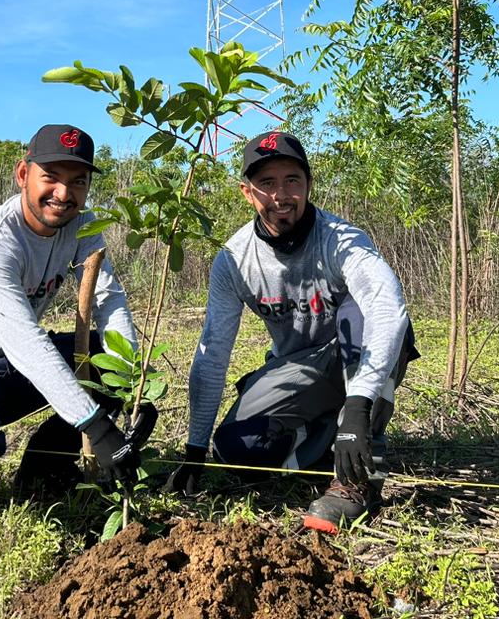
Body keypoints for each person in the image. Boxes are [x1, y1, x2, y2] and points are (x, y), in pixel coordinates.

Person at [165, 130, 418, 532]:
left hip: (355, 356)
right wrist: (196, 448)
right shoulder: (234, 260)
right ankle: (330, 443)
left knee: (361, 312)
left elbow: (388, 308)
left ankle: (358, 480)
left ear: (308, 185)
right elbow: (213, 354)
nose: (281, 195)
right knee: (236, 450)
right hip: (299, 369)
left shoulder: (342, 240)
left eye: (292, 181)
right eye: (267, 183)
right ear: (247, 192)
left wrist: (357, 407)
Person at [0, 123, 153, 521]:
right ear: (23, 174)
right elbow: (25, 340)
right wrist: (97, 426)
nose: (63, 193)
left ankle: (45, 464)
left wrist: (132, 384)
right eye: (50, 177)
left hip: (12, 363)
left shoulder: (83, 227)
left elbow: (109, 301)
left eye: (78, 181)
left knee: (110, 359)